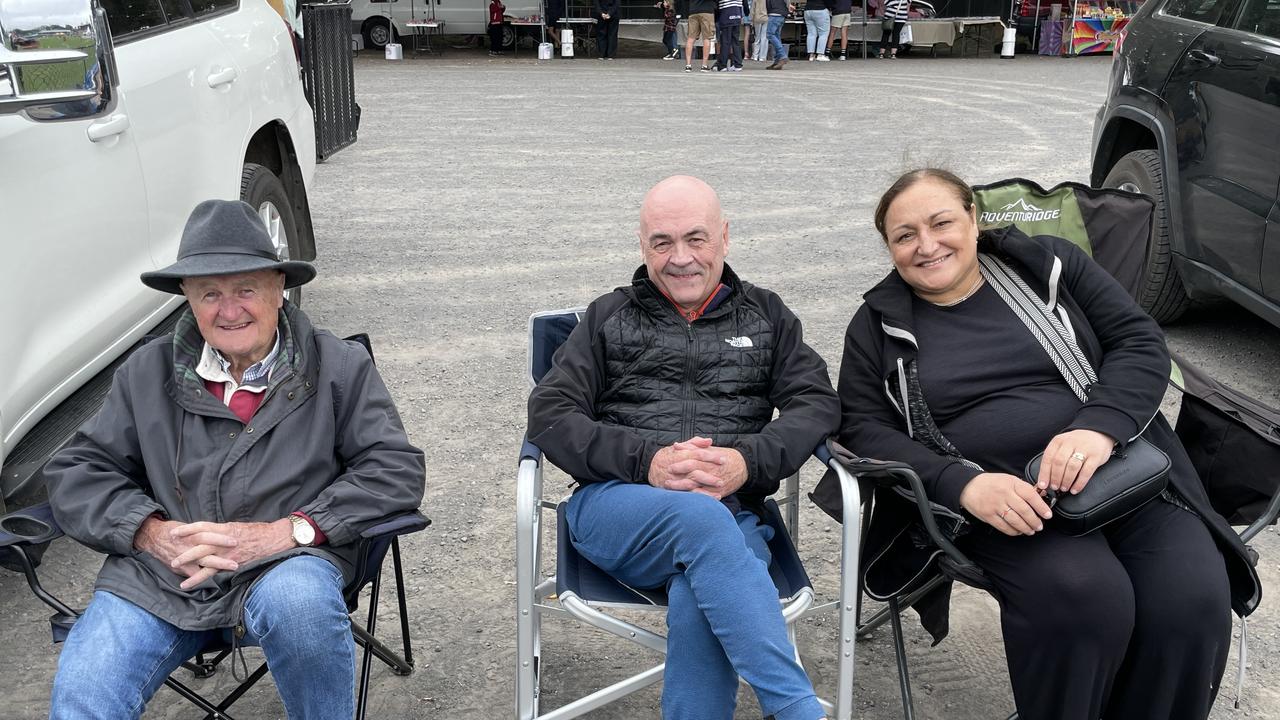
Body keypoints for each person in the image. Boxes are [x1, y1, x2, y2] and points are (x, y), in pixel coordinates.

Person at [833, 169, 1260, 720]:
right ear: (890, 248)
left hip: (1120, 476)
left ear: (974, 219)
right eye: (905, 235)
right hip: (1010, 507)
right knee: (1086, 601)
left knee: (1191, 602)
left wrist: (1098, 426)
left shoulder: (1045, 266)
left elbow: (1138, 340)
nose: (927, 245)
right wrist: (963, 486)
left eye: (942, 223)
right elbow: (864, 427)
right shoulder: (876, 326)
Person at [42, 200, 427, 719]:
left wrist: (290, 532)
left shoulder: (338, 366)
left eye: (246, 289)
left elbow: (395, 468)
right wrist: (149, 532)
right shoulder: (145, 372)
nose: (229, 310)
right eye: (209, 294)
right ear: (186, 298)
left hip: (287, 563)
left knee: (302, 607)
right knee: (85, 690)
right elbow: (77, 471)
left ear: (278, 288)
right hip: (163, 575)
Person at [527, 175, 838, 720]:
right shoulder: (608, 317)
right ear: (642, 245)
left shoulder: (767, 317)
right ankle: (795, 708)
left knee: (702, 598)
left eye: (696, 239)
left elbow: (816, 403)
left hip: (733, 516)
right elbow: (550, 414)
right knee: (700, 520)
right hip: (615, 508)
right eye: (662, 243)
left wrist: (748, 462)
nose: (681, 258)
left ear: (724, 237)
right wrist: (648, 462)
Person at [685, 0, 717, 71]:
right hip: (707, 11)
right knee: (706, 38)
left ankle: (688, 65)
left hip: (693, 11)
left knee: (690, 38)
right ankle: (704, 65)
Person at [715, 0, 745, 70]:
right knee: (736, 42)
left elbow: (717, 6)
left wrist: (716, 19)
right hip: (737, 16)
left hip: (726, 16)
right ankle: (738, 65)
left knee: (725, 42)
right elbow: (744, 4)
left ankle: (723, 65)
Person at [765, 0, 794, 68]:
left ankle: (782, 56)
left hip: (774, 13)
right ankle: (777, 61)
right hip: (781, 14)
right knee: (776, 36)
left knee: (770, 34)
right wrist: (788, 5)